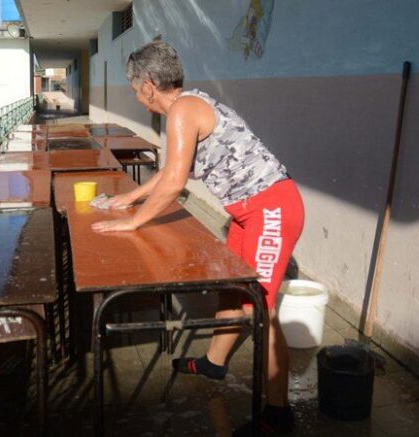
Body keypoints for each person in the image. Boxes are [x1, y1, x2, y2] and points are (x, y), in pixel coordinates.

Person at [92, 41, 304, 435]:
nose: (138, 97)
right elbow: (175, 168)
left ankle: (279, 413)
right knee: (232, 291)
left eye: (136, 88)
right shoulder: (187, 106)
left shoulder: (182, 111)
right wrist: (130, 197)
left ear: (149, 85)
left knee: (262, 310)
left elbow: (174, 183)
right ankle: (214, 363)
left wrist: (133, 221)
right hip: (246, 213)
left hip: (270, 209)